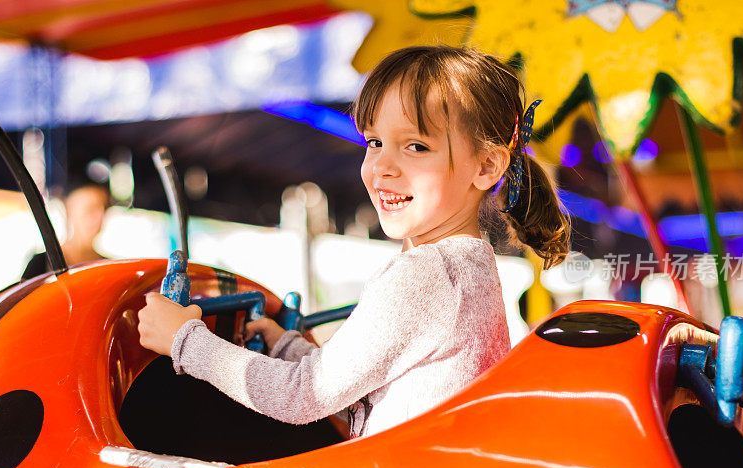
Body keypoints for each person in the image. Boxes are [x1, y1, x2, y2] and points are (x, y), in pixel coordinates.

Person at [137, 46, 571, 439]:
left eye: (416, 146)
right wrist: (287, 346)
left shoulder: (426, 272)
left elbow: (302, 397)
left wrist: (185, 339)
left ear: (487, 165)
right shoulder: (470, 266)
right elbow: (356, 382)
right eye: (375, 142)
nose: (382, 166)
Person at [21, 182, 111, 280]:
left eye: (105, 209)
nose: (99, 219)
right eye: (90, 210)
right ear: (69, 210)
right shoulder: (41, 264)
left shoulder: (109, 267)